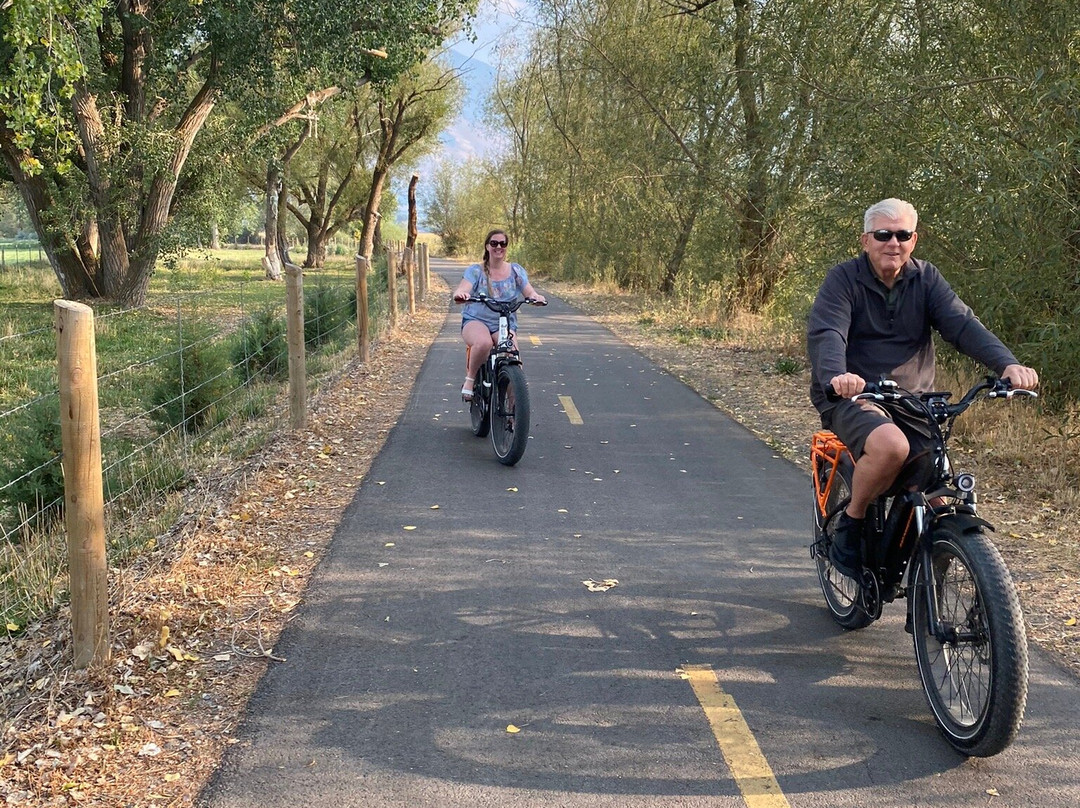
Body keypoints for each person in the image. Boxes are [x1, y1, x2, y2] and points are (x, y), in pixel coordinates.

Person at [806, 198, 1039, 578]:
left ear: (914, 240)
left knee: (937, 479)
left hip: (913, 399)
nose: (892, 243)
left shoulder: (926, 278)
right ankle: (852, 520)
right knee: (892, 446)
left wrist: (1007, 364)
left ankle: (941, 577)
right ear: (865, 240)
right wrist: (836, 375)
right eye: (883, 234)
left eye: (902, 235)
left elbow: (963, 325)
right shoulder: (843, 280)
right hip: (855, 394)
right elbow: (828, 331)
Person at [451, 230, 546, 401]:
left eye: (503, 243)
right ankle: (470, 380)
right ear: (487, 246)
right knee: (484, 343)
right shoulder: (476, 271)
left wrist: (536, 298)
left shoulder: (516, 271)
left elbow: (529, 292)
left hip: (504, 323)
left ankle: (515, 409)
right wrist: (461, 295)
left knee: (513, 354)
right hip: (476, 320)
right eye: (494, 243)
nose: (499, 247)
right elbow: (463, 288)